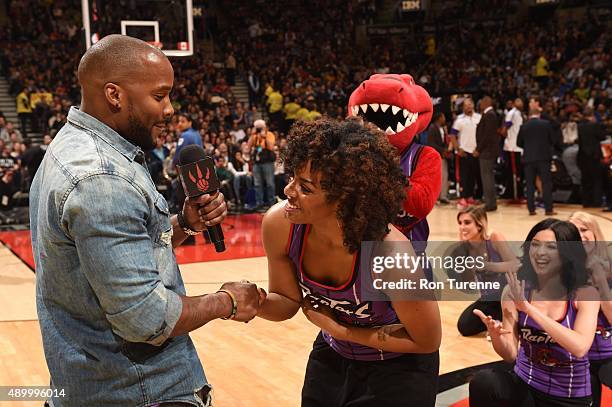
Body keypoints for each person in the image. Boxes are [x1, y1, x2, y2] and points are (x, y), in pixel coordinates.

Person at [29, 35, 265, 407]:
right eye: (160, 96)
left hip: (92, 385)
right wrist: (227, 301)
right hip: (138, 390)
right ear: (114, 95)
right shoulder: (101, 177)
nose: (170, 109)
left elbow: (114, 261)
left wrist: (185, 224)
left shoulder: (71, 146)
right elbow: (146, 319)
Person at [258, 118, 441, 406]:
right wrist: (250, 302)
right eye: (292, 178)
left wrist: (342, 331)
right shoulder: (279, 225)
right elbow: (286, 300)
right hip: (333, 353)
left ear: (345, 199)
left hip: (400, 365)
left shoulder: (391, 255)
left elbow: (427, 340)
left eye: (306, 188)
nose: (288, 192)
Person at [470, 219, 600, 406]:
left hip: (569, 395)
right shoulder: (514, 291)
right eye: (535, 245)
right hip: (526, 385)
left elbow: (579, 347)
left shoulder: (586, 293)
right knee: (484, 382)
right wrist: (497, 338)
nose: (540, 253)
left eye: (551, 247)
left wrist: (529, 309)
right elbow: (510, 355)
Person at [569, 212, 612, 407]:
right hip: (578, 359)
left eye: (584, 229)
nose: (579, 234)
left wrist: (600, 280)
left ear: (595, 233)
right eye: (574, 231)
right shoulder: (561, 271)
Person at [454, 206, 518, 337]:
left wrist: (488, 266)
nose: (462, 227)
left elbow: (515, 265)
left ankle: (505, 321)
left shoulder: (494, 237)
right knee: (464, 326)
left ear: (479, 224)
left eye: (467, 223)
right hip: (489, 298)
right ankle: (498, 322)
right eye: (460, 223)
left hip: (509, 296)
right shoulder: (467, 248)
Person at [517, 108, 561, 216]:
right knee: (546, 183)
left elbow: (519, 143)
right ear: (539, 114)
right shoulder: (546, 124)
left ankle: (531, 209)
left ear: (529, 115)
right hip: (543, 158)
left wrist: (528, 147)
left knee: (530, 184)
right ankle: (548, 209)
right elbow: (553, 140)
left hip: (528, 159)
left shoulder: (524, 126)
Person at [450, 98, 482, 208]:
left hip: (475, 152)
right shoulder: (459, 120)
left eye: (470, 104)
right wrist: (458, 149)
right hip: (463, 152)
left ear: (473, 105)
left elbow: (483, 135)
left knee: (472, 176)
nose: (468, 107)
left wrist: (479, 149)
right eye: (466, 105)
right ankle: (462, 197)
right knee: (463, 177)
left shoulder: (479, 117)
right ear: (463, 107)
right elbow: (452, 135)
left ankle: (470, 196)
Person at [474, 96, 499, 211]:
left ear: (487, 102)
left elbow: (487, 136)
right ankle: (490, 202)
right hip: (487, 151)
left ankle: (490, 204)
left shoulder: (490, 115)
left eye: (482, 101)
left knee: (487, 177)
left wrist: (478, 149)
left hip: (487, 151)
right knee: (487, 177)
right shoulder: (488, 114)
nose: (480, 104)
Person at [248, 119, 276, 211]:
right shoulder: (255, 135)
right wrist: (253, 134)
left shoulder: (269, 134)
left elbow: (271, 147)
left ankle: (272, 204)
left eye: (261, 127)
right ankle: (259, 203)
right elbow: (249, 146)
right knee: (257, 184)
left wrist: (264, 136)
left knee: (270, 184)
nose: (260, 129)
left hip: (267, 162)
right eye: (258, 128)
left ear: (265, 127)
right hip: (257, 163)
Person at [427, 111, 450, 204]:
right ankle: (436, 197)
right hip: (436, 156)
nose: (444, 119)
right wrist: (442, 150)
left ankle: (443, 196)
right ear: (439, 118)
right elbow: (431, 143)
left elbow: (444, 142)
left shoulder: (443, 128)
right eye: (443, 117)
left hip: (442, 155)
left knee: (444, 176)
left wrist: (446, 149)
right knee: (437, 177)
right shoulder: (432, 128)